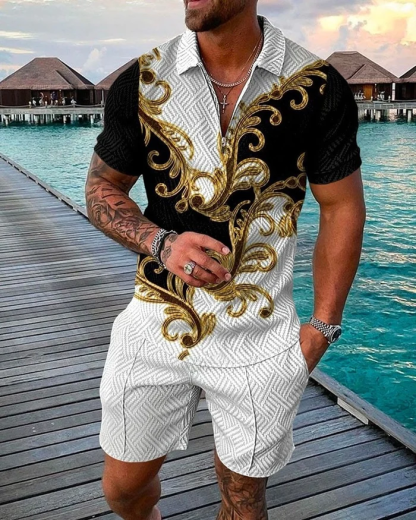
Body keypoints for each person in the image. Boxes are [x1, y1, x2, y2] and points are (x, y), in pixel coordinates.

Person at [85, 1, 366, 519]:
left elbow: (341, 206)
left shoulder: (317, 86)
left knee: (243, 500)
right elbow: (102, 188)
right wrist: (161, 242)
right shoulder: (141, 81)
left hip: (260, 336)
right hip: (153, 323)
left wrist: (323, 326)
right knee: (122, 491)